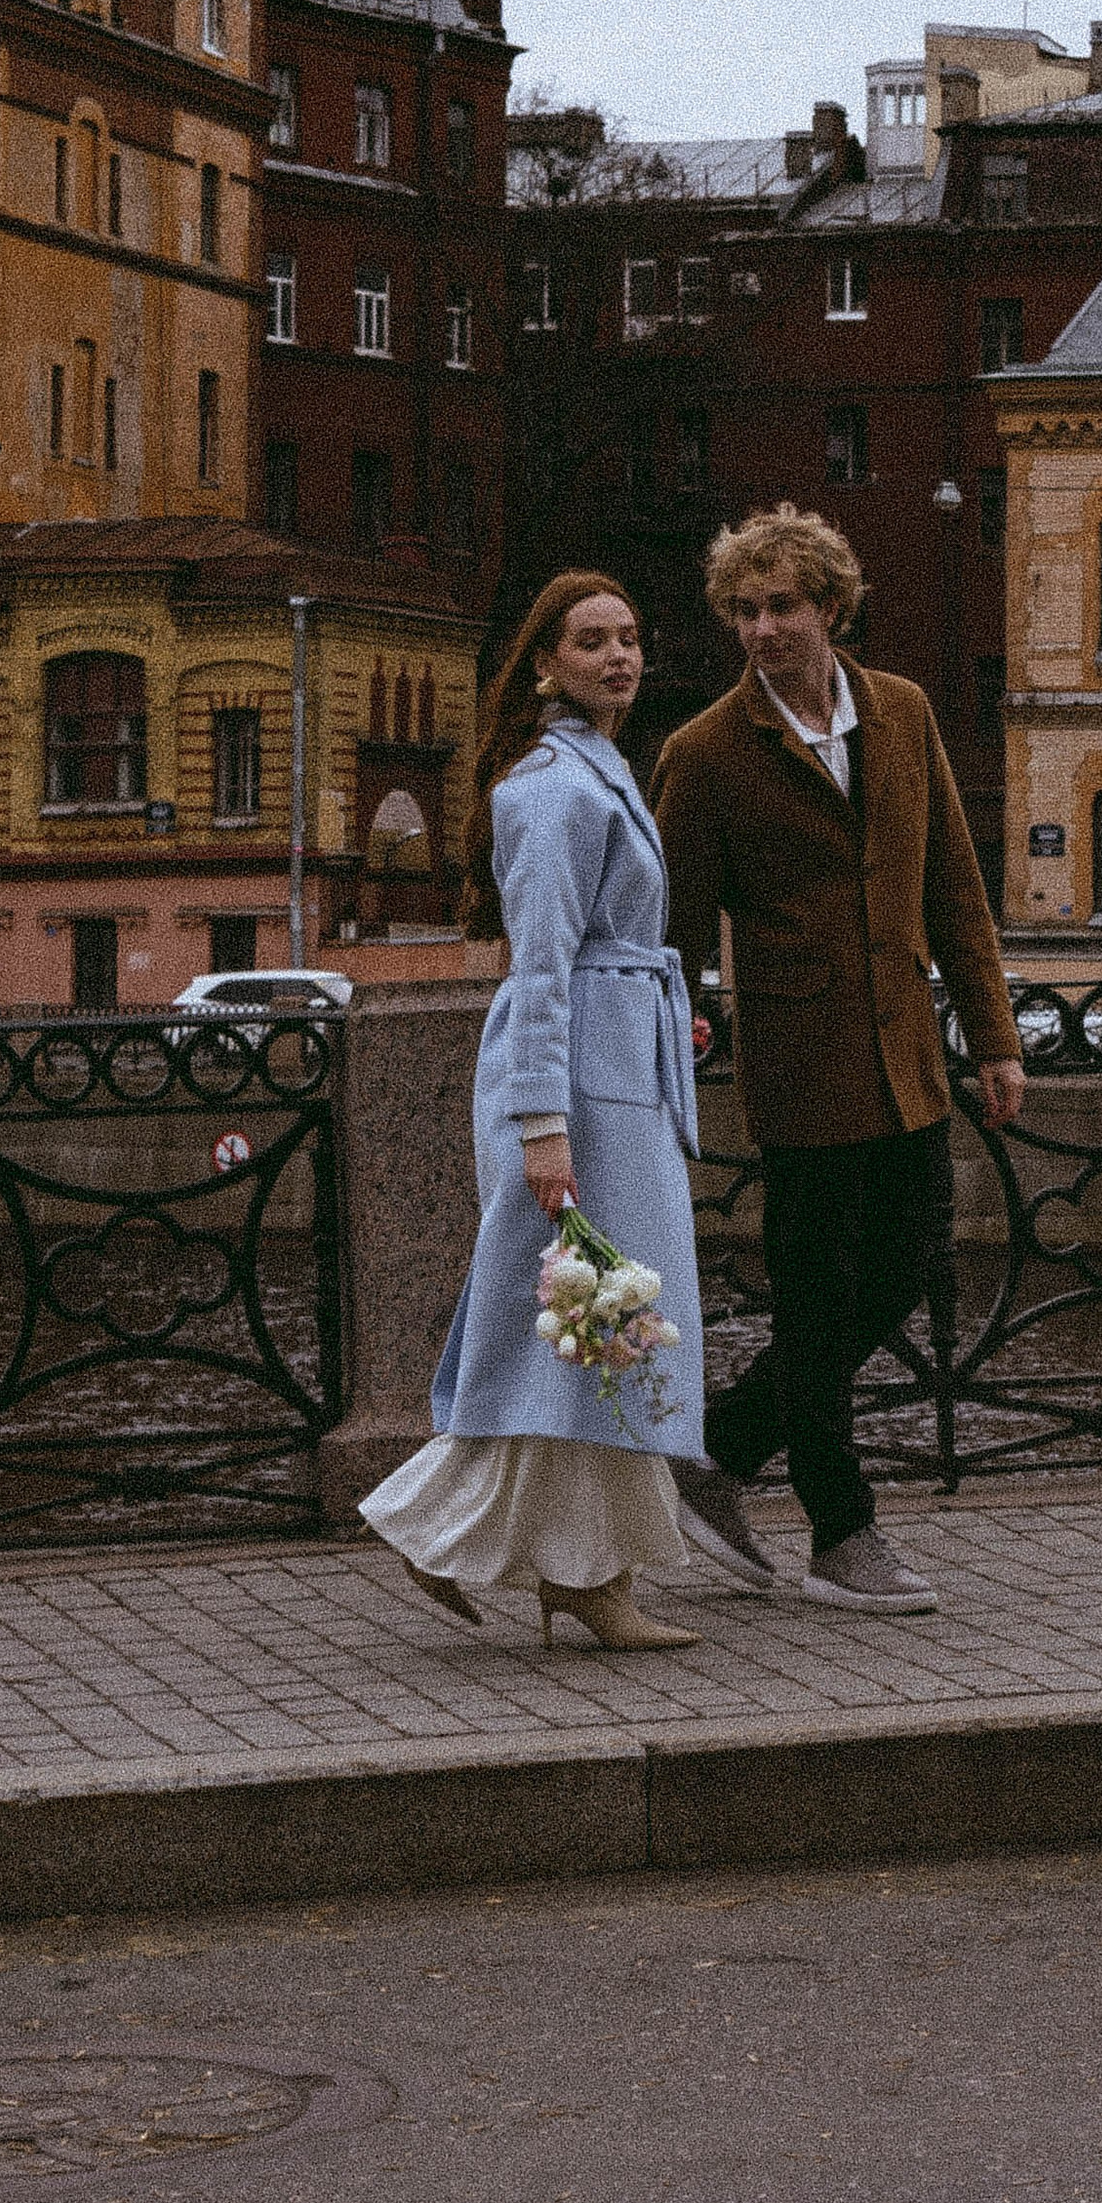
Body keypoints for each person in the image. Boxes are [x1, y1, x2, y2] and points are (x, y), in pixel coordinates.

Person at [651, 503, 1025, 1612]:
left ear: (831, 607)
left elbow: (954, 886)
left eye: (783, 606)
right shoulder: (707, 751)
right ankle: (841, 1532)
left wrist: (992, 1037)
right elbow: (669, 931)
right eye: (744, 610)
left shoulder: (902, 714)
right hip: (803, 1062)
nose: (763, 629)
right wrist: (676, 1032)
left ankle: (717, 1451)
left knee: (907, 1271)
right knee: (817, 1303)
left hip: (906, 1053)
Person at [361, 569, 705, 1653]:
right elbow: (545, 965)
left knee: (604, 1333)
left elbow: (602, 954)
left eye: (631, 637)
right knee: (578, 1327)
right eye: (592, 641)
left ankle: (588, 1576)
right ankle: (443, 1529)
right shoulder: (550, 788)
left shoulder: (590, 769)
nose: (619, 657)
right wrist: (541, 1126)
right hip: (581, 1100)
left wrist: (664, 1019)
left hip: (615, 1071)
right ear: (546, 663)